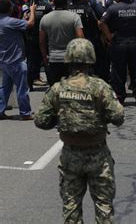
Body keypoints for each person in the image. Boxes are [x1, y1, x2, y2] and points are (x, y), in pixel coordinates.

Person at [34, 38, 124, 223]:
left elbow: (41, 120)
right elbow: (118, 117)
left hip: (70, 154)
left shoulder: (58, 88)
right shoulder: (100, 87)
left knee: (71, 206)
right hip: (98, 154)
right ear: (91, 59)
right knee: (103, 205)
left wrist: (61, 118)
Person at [0, 0, 36, 120]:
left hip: (4, 61)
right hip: (16, 61)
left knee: (5, 88)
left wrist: (23, 18)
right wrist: (32, 11)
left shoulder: (6, 22)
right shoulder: (11, 22)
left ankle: (0, 110)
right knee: (22, 88)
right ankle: (25, 113)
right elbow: (30, 24)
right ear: (9, 8)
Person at [39, 0, 84, 85]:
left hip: (53, 58)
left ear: (53, 2)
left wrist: (44, 56)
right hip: (71, 59)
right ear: (67, 2)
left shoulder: (45, 18)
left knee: (56, 90)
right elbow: (81, 38)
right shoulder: (74, 17)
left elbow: (41, 41)